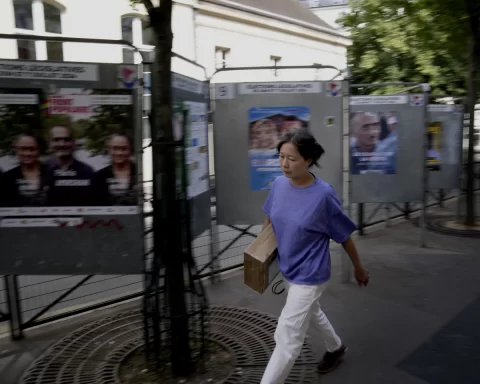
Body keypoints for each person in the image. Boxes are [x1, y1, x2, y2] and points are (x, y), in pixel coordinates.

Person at [260, 129, 369, 384]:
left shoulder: (323, 195)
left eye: (292, 158)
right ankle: (336, 347)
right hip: (286, 267)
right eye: (281, 156)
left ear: (308, 160)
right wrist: (262, 249)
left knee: (286, 339)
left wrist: (358, 268)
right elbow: (269, 216)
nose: (284, 164)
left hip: (310, 275)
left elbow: (343, 235)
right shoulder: (278, 185)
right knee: (313, 311)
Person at [45, 125, 94, 206]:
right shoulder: (41, 171)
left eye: (66, 140)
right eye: (56, 140)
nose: (62, 144)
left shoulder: (87, 172)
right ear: (50, 144)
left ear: (74, 143)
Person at [1, 134, 48, 207]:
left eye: (32, 149)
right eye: (23, 149)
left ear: (38, 150)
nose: (27, 153)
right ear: (16, 150)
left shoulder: (50, 172)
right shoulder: (8, 177)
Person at [92, 134, 137, 206]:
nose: (119, 153)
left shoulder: (140, 172)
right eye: (115, 148)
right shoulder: (99, 176)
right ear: (108, 150)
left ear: (130, 150)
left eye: (124, 149)